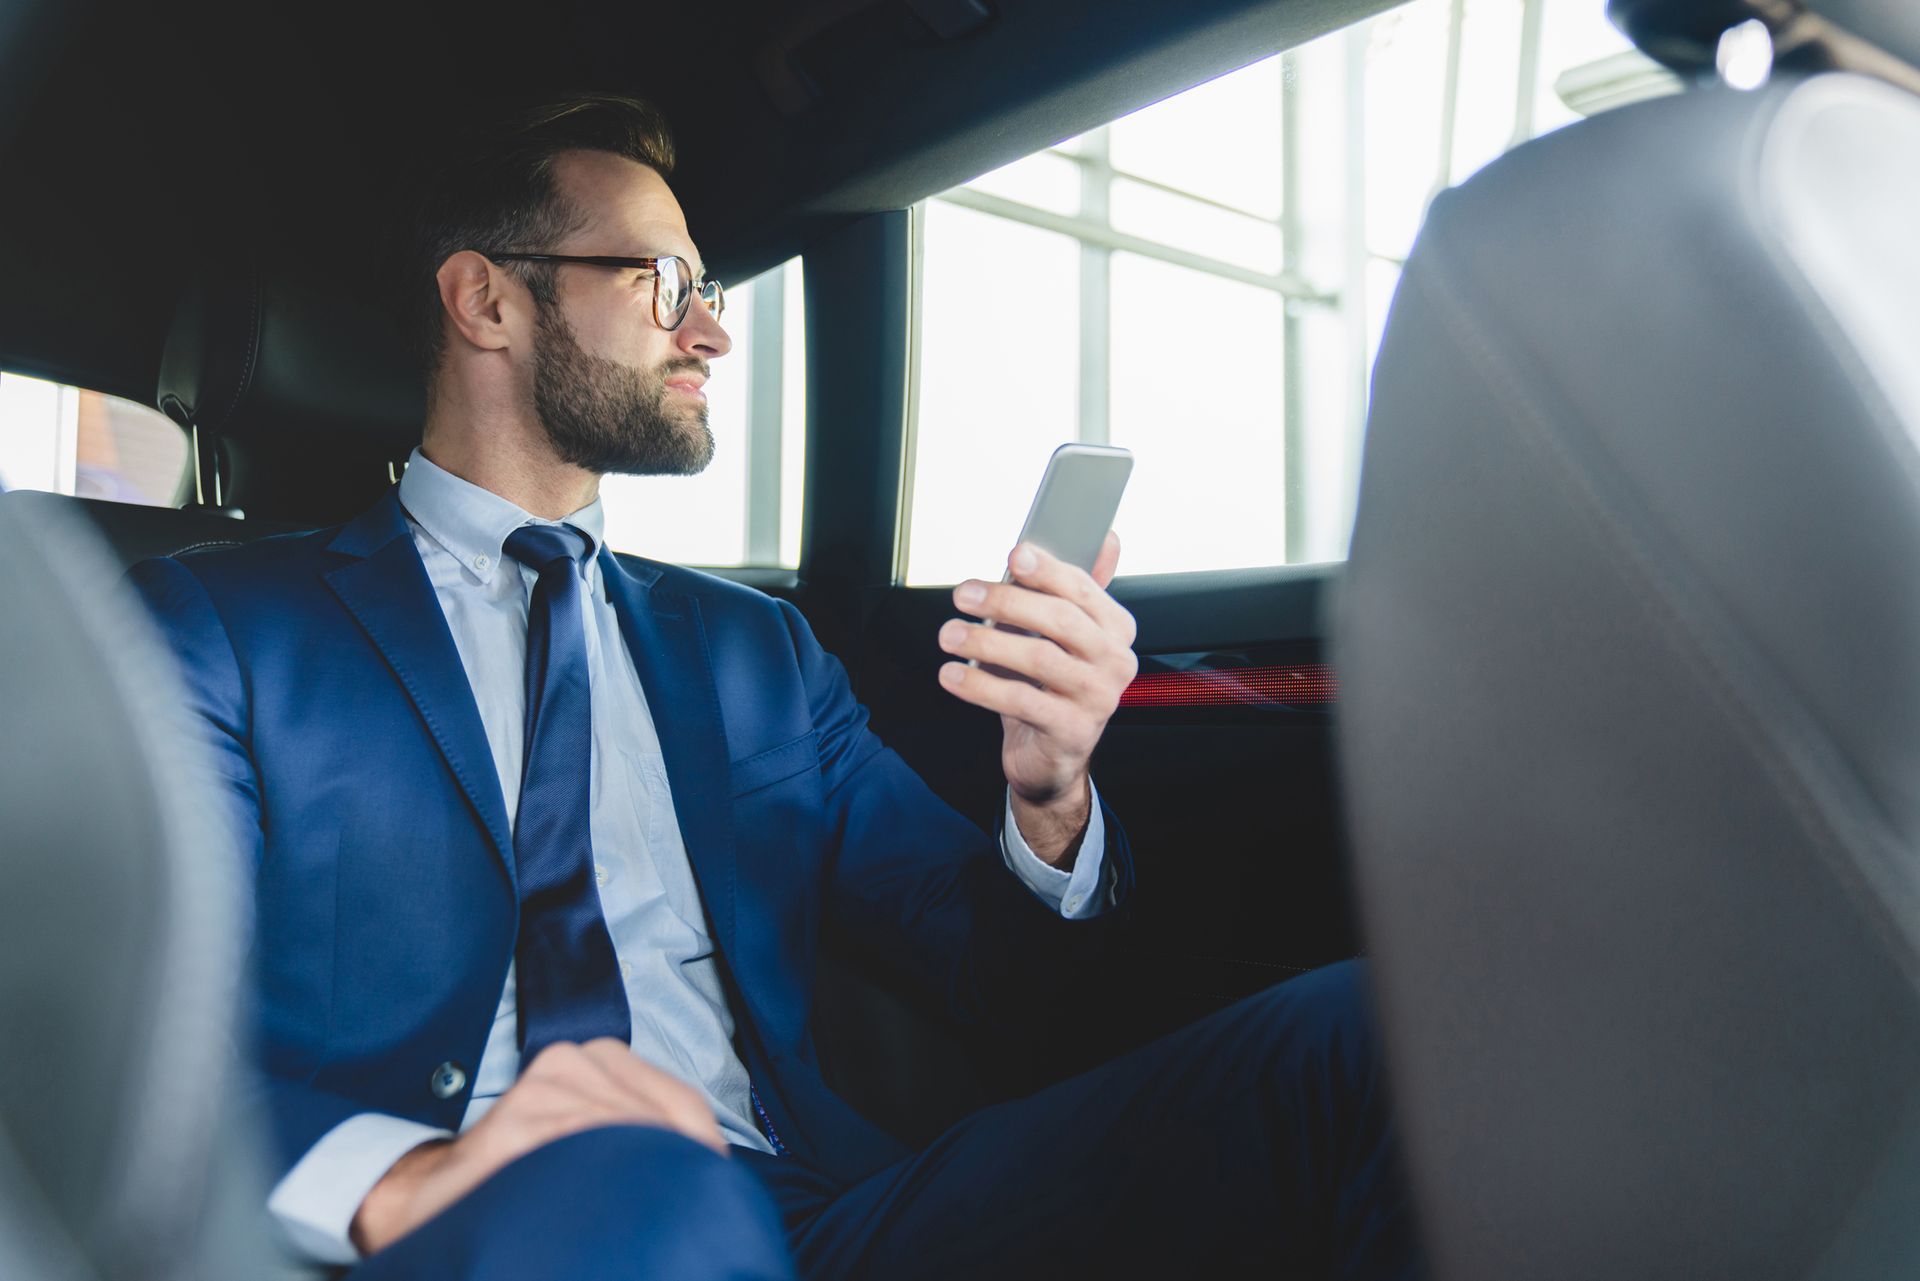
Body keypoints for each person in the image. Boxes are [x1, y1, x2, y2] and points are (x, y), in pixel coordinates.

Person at [131, 92, 1420, 1280]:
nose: (712, 328)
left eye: (709, 286)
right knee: (641, 1209)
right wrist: (402, 1181)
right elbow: (119, 1019)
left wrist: (1051, 794)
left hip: (810, 1216)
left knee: (1368, 1041)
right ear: (487, 301)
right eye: (666, 282)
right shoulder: (220, 629)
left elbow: (1001, 986)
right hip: (471, 1221)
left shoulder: (758, 653)